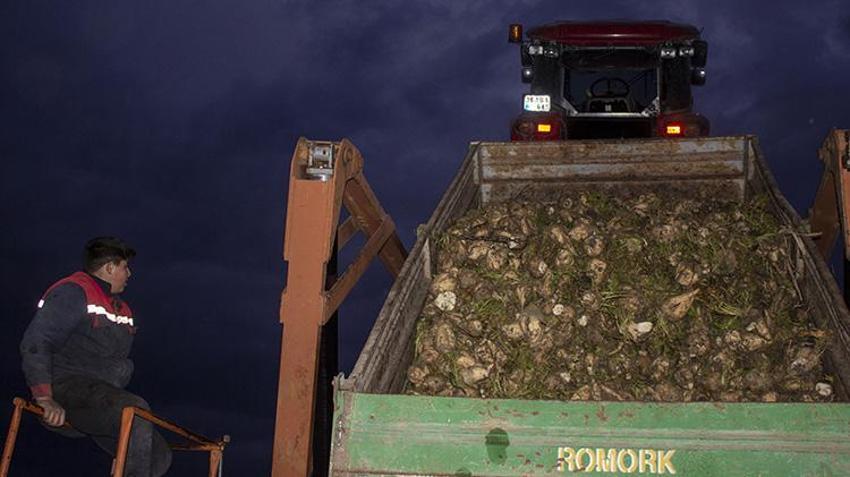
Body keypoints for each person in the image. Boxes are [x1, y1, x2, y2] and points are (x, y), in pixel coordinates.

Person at [20, 237, 171, 476]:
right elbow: (36, 342)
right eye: (125, 267)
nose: (129, 274)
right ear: (109, 267)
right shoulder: (73, 292)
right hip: (66, 389)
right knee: (134, 409)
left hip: (100, 397)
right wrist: (45, 398)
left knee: (160, 454)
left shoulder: (118, 307)